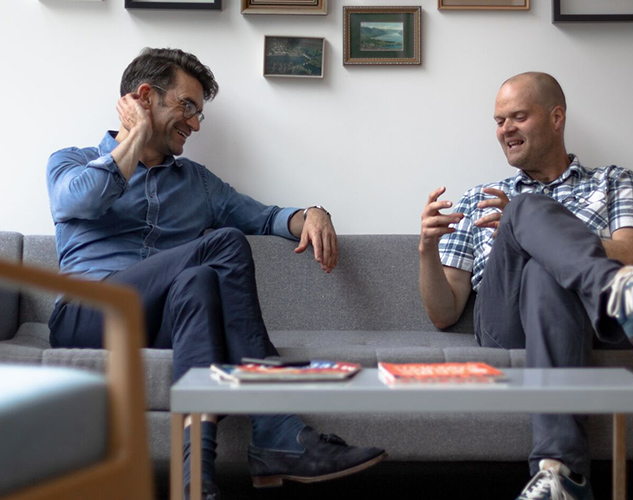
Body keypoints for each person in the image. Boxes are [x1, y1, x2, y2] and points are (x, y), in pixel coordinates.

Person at [46, 47, 385, 500]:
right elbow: (79, 201)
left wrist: (313, 213)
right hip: (87, 316)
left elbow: (266, 218)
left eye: (200, 113)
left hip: (157, 322)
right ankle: (275, 429)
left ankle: (195, 483)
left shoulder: (198, 183)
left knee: (199, 281)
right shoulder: (70, 160)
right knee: (222, 243)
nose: (196, 124)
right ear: (145, 97)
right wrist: (135, 137)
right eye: (187, 107)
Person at [418, 72, 633, 500]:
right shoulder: (479, 198)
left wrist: (538, 233)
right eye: (498, 120)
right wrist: (427, 250)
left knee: (542, 269)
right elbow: (444, 312)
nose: (504, 129)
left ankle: (560, 475)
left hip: (597, 323)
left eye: (518, 117)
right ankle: (617, 290)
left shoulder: (614, 180)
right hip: (507, 325)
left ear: (556, 117)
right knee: (526, 214)